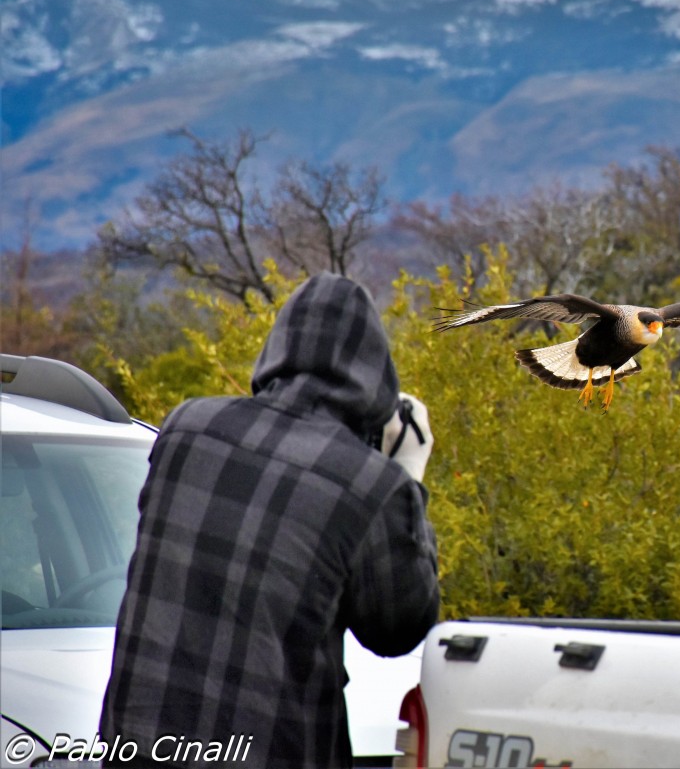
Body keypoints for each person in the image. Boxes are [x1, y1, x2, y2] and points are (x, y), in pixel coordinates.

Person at [100, 273, 439, 768]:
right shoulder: (370, 486)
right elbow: (399, 629)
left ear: (277, 349)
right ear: (377, 380)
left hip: (137, 746)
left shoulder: (185, 428)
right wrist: (407, 471)